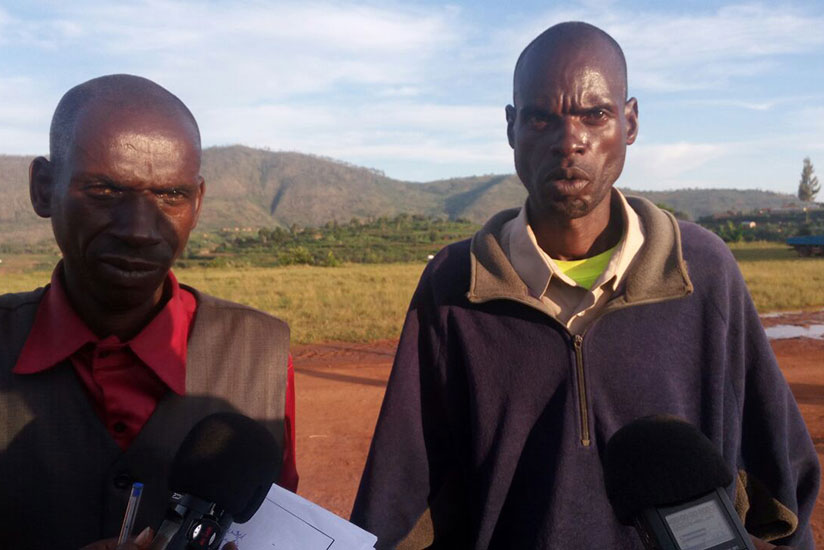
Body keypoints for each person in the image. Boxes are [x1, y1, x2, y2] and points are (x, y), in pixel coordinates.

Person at [351, 22, 820, 549]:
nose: (569, 141)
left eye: (594, 114)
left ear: (630, 121)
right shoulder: (456, 286)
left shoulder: (701, 271)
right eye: (540, 117)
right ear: (511, 128)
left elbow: (777, 483)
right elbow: (403, 496)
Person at [0, 74, 297, 549]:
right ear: (43, 188)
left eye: (170, 195)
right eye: (105, 191)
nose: (140, 229)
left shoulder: (258, 350)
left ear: (197, 203)